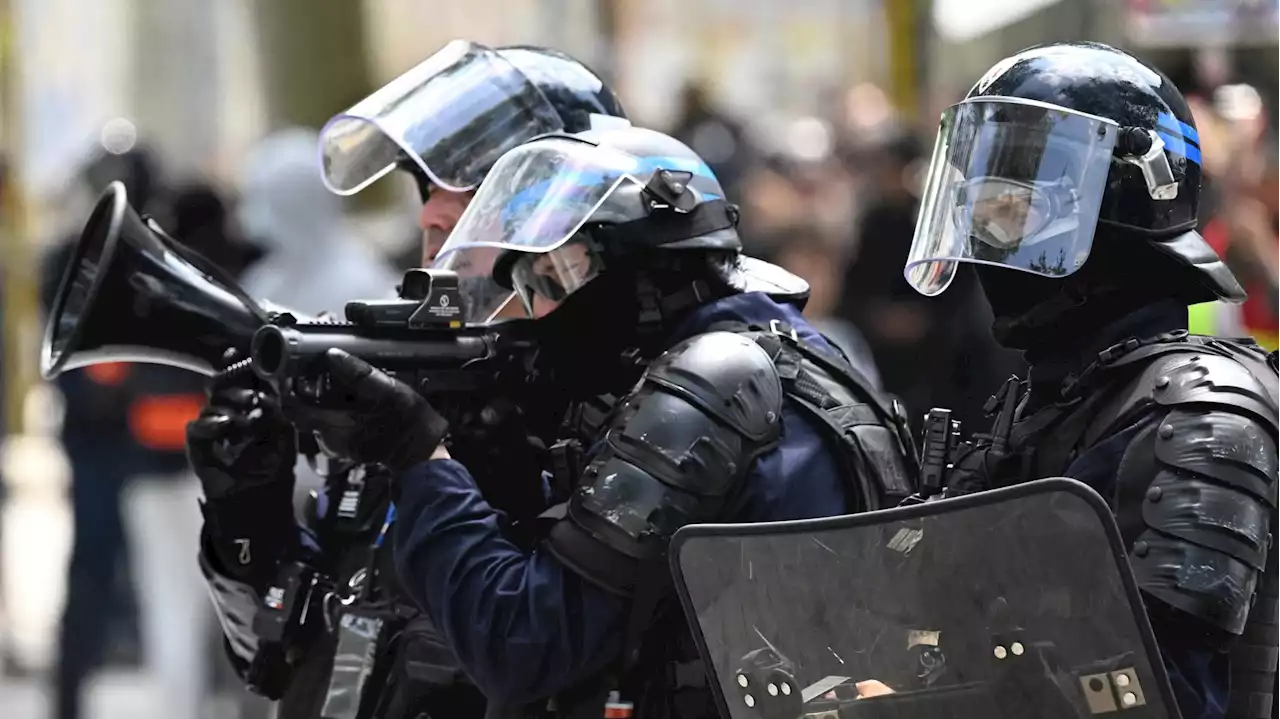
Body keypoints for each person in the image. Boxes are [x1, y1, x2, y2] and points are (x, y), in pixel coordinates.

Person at [292, 123, 919, 717]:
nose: (540, 311)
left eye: (557, 275)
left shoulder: (708, 384)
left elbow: (522, 644)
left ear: (648, 273)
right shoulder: (781, 349)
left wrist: (421, 461)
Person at [191, 40, 633, 719]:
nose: (432, 215)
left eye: (477, 188)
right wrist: (247, 517)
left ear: (568, 216)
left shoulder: (617, 417)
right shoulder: (418, 393)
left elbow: (539, 650)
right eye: (428, 191)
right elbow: (278, 657)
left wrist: (433, 466)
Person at [902, 42, 1280, 719]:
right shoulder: (1056, 398)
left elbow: (1159, 694)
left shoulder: (1202, 414)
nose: (987, 243)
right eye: (980, 212)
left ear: (1118, 210)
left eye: (1014, 215)